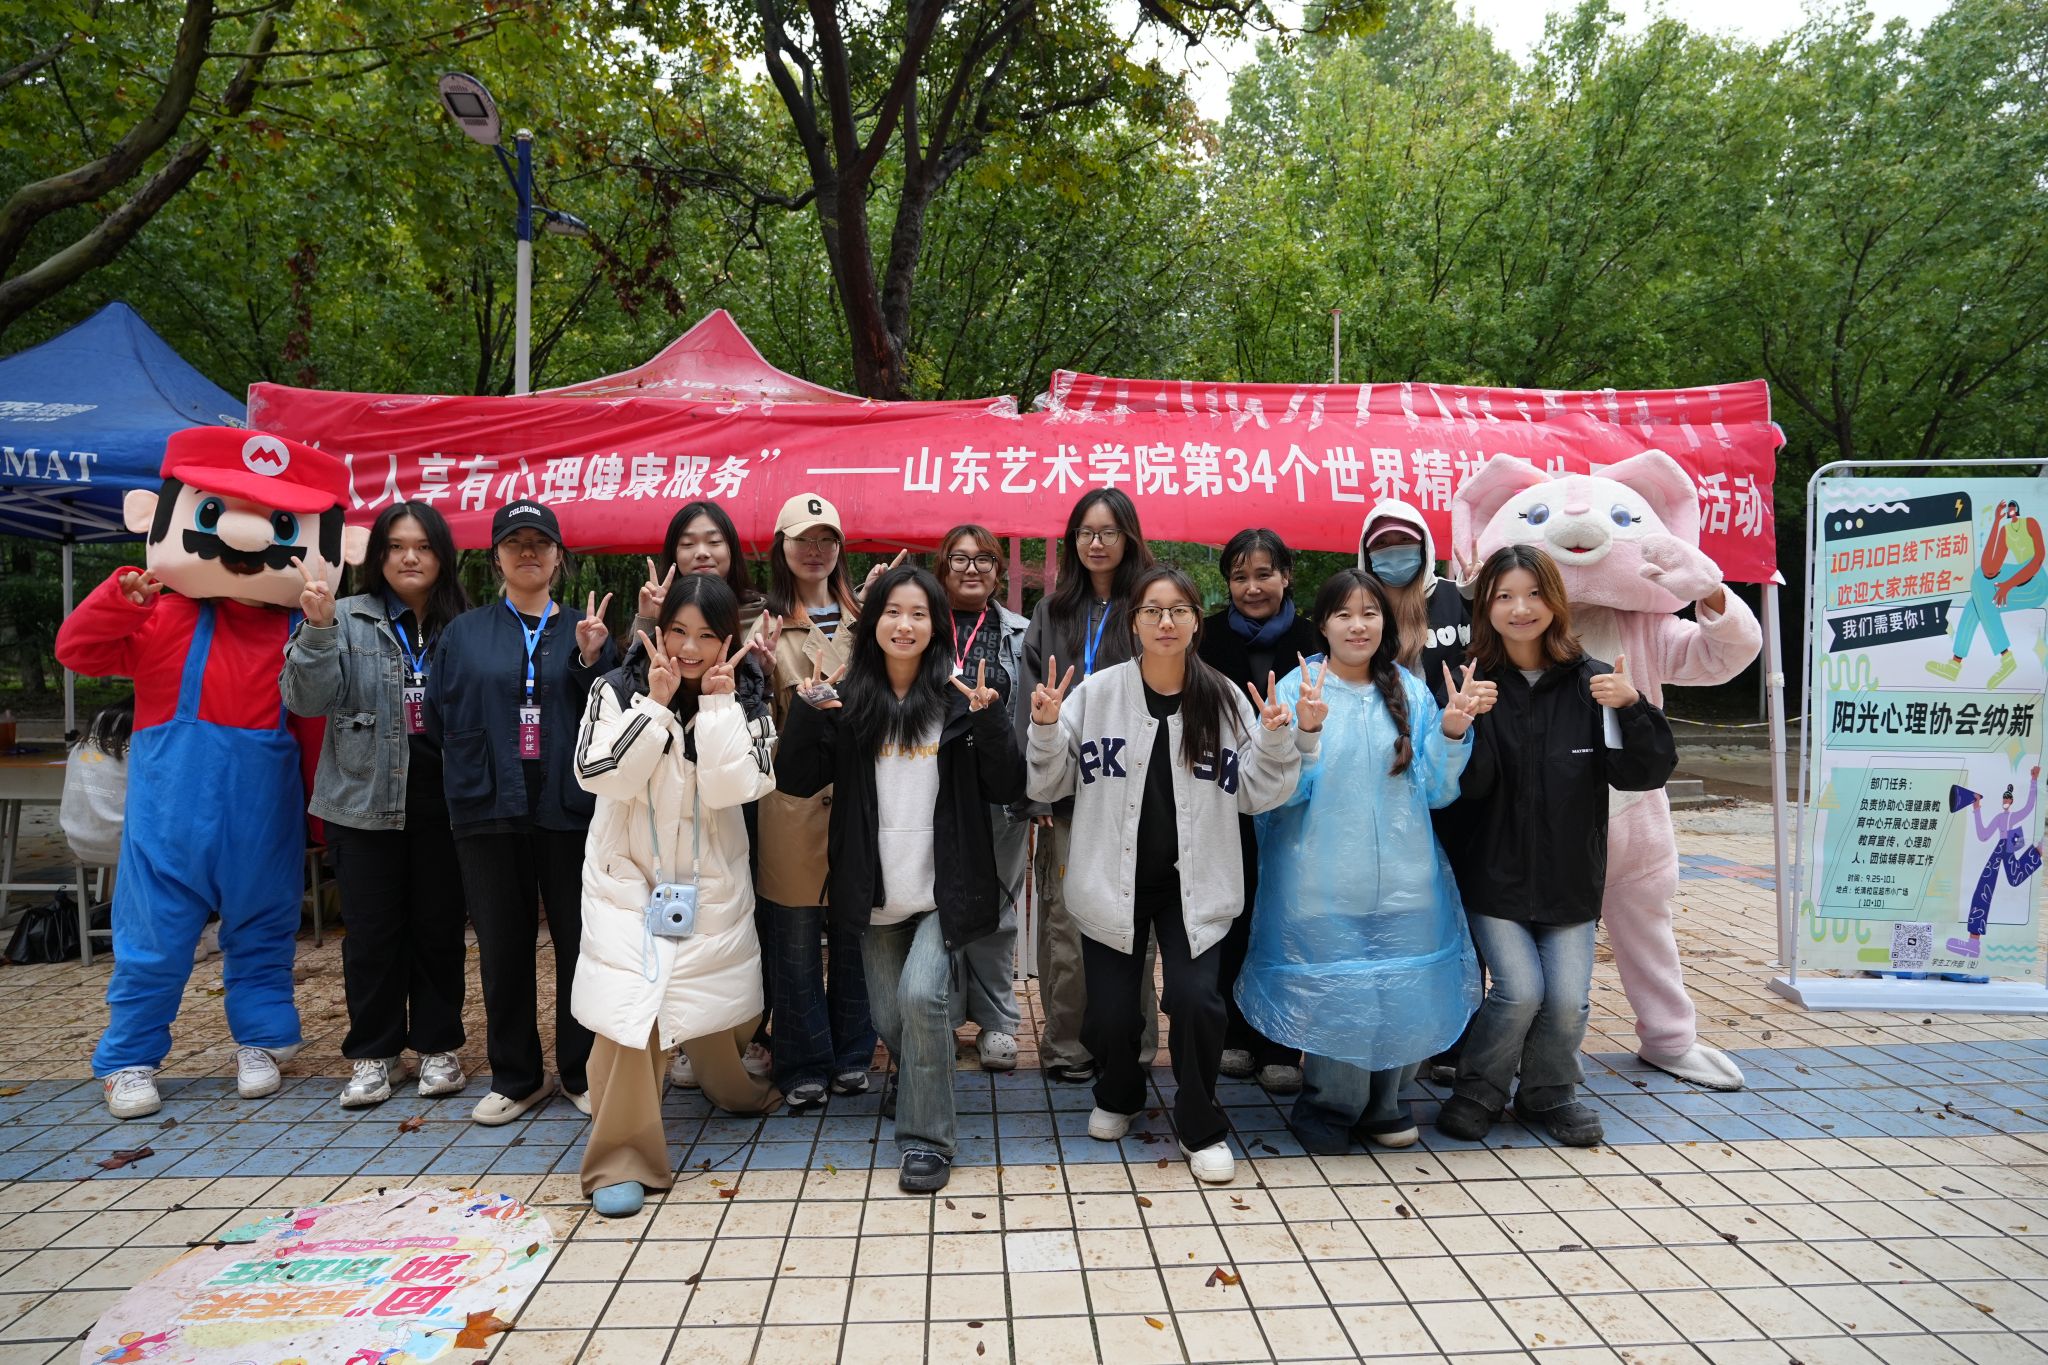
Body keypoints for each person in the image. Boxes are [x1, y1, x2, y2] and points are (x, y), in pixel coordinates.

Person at [57, 426, 365, 1120]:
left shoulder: (298, 632)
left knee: (263, 927)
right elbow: (78, 650)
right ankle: (129, 1056)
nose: (248, 536)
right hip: (168, 817)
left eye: (279, 524)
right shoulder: (160, 617)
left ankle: (260, 1041)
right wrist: (119, 598)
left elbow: (313, 728)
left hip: (263, 816)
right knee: (153, 935)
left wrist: (321, 820)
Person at [1028, 564, 1305, 1183]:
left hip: (1194, 883)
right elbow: (1049, 782)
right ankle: (1119, 1092)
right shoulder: (1096, 694)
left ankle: (1200, 1121)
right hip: (1111, 879)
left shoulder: (1223, 697)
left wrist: (1280, 739)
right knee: (1111, 1011)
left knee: (1197, 1000)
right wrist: (1045, 728)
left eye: (1179, 610)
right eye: (1152, 610)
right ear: (1134, 622)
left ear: (1196, 622)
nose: (1166, 622)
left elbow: (1259, 794)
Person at [777, 564, 1024, 1192]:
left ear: (936, 625)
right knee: (892, 1019)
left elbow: (1007, 785)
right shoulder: (849, 701)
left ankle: (927, 1140)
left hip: (944, 889)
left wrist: (993, 722)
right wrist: (806, 713)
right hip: (875, 892)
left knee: (921, 999)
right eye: (892, 612)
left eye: (919, 613)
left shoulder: (958, 700)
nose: (905, 625)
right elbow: (796, 780)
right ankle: (918, 1075)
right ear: (873, 623)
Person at [1240, 569, 1491, 1153]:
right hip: (1321, 879)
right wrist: (1304, 735)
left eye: (1370, 613)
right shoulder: (1297, 689)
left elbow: (1435, 792)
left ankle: (1389, 1103)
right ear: (1322, 624)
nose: (1358, 626)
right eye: (1344, 614)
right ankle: (1331, 1104)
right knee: (1339, 994)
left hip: (1406, 878)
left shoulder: (1410, 691)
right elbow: (1275, 794)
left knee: (1402, 988)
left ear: (1386, 622)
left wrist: (1452, 732)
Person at [1437, 545, 1675, 1147]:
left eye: (1534, 594)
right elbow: (1466, 790)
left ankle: (1548, 1092)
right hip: (1493, 877)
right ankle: (1478, 1090)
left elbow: (1641, 773)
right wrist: (1459, 727)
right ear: (1485, 607)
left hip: (1570, 877)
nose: (1521, 608)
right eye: (1505, 596)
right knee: (1520, 992)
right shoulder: (1474, 684)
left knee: (1567, 1001)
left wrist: (1633, 707)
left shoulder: (1595, 683)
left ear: (1556, 602)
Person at [571, 574, 782, 1218]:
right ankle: (621, 1158)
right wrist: (656, 709)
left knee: (712, 1013)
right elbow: (598, 774)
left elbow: (738, 789)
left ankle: (734, 1089)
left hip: (709, 885)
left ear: (728, 641)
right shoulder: (615, 689)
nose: (690, 649)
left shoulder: (750, 697)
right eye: (678, 632)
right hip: (628, 884)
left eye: (707, 636)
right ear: (658, 632)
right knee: (635, 1015)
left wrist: (716, 710)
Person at [425, 498, 619, 1126]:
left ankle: (581, 1070)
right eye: (515, 543)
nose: (528, 552)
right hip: (488, 806)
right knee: (502, 946)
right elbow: (437, 718)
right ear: (496, 558)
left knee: (580, 944)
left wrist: (591, 661)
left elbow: (615, 716)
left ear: (559, 556)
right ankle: (516, 1076)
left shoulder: (588, 629)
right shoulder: (463, 632)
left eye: (540, 542)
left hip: (572, 809)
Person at [282, 501, 471, 1108]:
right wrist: (316, 632)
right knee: (370, 936)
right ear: (377, 556)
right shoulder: (341, 616)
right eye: (395, 546)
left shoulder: (465, 624)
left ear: (443, 555)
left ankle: (438, 1047)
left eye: (423, 546)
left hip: (446, 803)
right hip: (361, 800)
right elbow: (306, 701)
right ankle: (374, 1054)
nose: (410, 557)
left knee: (439, 931)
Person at [626, 498, 776, 1088]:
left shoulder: (760, 611)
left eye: (714, 540)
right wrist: (644, 626)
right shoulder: (652, 613)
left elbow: (761, 712)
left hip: (734, 785)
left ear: (732, 551)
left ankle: (742, 1033)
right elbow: (626, 692)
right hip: (663, 797)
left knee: (739, 914)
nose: (702, 552)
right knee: (674, 915)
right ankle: (684, 1038)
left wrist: (757, 675)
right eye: (688, 542)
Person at [1017, 488, 1158, 1083]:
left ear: (1129, 537)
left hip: (1137, 792)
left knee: (1134, 923)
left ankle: (1133, 1046)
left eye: (1108, 532)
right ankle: (1068, 1046)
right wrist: (1039, 793)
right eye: (1085, 532)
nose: (1096, 543)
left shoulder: (1149, 606)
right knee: (1066, 923)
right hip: (1068, 794)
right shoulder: (1051, 613)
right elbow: (1029, 706)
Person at [748, 492, 876, 1106]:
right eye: (803, 539)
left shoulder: (868, 620)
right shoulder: (763, 627)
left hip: (857, 801)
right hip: (790, 806)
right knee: (795, 940)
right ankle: (801, 1062)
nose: (815, 550)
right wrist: (759, 672)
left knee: (855, 933)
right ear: (783, 547)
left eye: (826, 539)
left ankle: (853, 1053)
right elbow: (751, 720)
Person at [1197, 528, 1322, 1095]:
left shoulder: (1314, 639)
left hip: (1296, 800)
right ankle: (1235, 1034)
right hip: (1225, 798)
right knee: (1232, 914)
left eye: (1264, 574)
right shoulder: (1206, 637)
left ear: (1286, 576)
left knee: (1287, 918)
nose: (1252, 587)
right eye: (1240, 576)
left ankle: (1281, 1043)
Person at [934, 525, 1031, 1070]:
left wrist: (1037, 791)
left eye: (984, 560)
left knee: (998, 907)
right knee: (940, 904)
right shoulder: (923, 624)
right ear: (942, 567)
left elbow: (1035, 713)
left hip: (999, 789)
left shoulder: (1022, 633)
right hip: (935, 788)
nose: (972, 569)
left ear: (998, 571)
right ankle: (943, 1018)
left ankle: (997, 1021)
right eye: (960, 559)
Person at [1358, 500, 1470, 700]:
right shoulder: (1356, 610)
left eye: (1405, 539)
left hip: (1457, 717)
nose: (1394, 550)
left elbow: (1487, 653)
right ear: (1368, 553)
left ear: (1423, 546)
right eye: (1381, 543)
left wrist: (1477, 596)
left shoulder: (1457, 596)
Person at [1930, 499, 2047, 689]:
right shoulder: (2005, 531)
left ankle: (2005, 658)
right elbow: (1989, 569)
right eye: (2008, 510)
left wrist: (2008, 585)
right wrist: (1996, 522)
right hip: (2018, 575)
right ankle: (1955, 664)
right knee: (1977, 595)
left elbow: (2038, 560)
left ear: (2017, 509)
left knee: (1982, 595)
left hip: (2036, 583)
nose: (2010, 511)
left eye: (2012, 509)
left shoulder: (2030, 523)